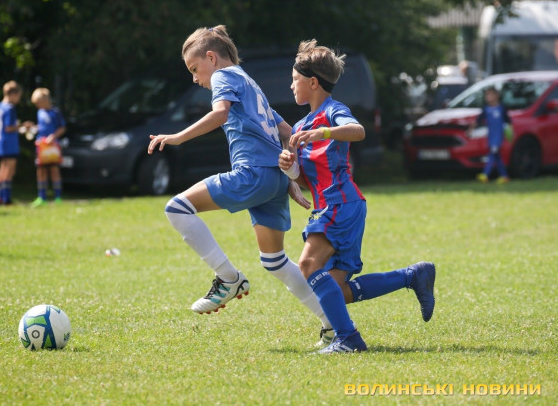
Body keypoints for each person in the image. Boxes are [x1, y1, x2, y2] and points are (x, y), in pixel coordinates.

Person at [147, 25, 334, 338]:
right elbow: (287, 131)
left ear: (211, 58)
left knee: (177, 208)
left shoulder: (223, 76)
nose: (195, 79)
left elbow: (220, 113)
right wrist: (290, 175)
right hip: (273, 179)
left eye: (194, 69)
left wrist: (178, 136)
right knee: (275, 261)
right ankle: (333, 325)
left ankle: (228, 278)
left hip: (253, 174)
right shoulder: (249, 82)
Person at [279, 40, 436, 354]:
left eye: (295, 79)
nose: (291, 85)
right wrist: (291, 169)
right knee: (336, 290)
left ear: (313, 83)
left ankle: (348, 339)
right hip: (334, 207)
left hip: (340, 204)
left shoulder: (333, 111)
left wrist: (324, 132)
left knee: (308, 264)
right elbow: (309, 180)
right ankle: (412, 276)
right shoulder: (300, 126)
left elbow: (358, 130)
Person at [28, 88, 66, 207]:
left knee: (54, 170)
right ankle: (42, 197)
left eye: (38, 103)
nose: (38, 106)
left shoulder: (55, 112)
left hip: (53, 146)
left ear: (46, 100)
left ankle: (58, 197)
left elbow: (62, 128)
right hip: (41, 146)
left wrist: (53, 136)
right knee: (41, 171)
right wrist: (33, 128)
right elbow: (41, 127)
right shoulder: (39, 112)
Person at [474, 87, 510, 184]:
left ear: (496, 96)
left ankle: (485, 174)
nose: (487, 97)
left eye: (489, 95)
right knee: (497, 157)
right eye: (486, 95)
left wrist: (509, 133)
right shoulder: (486, 109)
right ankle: (504, 176)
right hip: (490, 137)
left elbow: (508, 122)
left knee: (492, 155)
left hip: (498, 137)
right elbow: (478, 121)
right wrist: (470, 130)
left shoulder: (502, 108)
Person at [0, 81, 22, 205]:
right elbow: (9, 127)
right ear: (12, 94)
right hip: (9, 142)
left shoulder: (0, 106)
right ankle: (6, 199)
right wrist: (22, 126)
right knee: (9, 170)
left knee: (3, 169)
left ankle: (0, 197)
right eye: (18, 96)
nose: (18, 99)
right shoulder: (10, 108)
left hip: (1, 142)